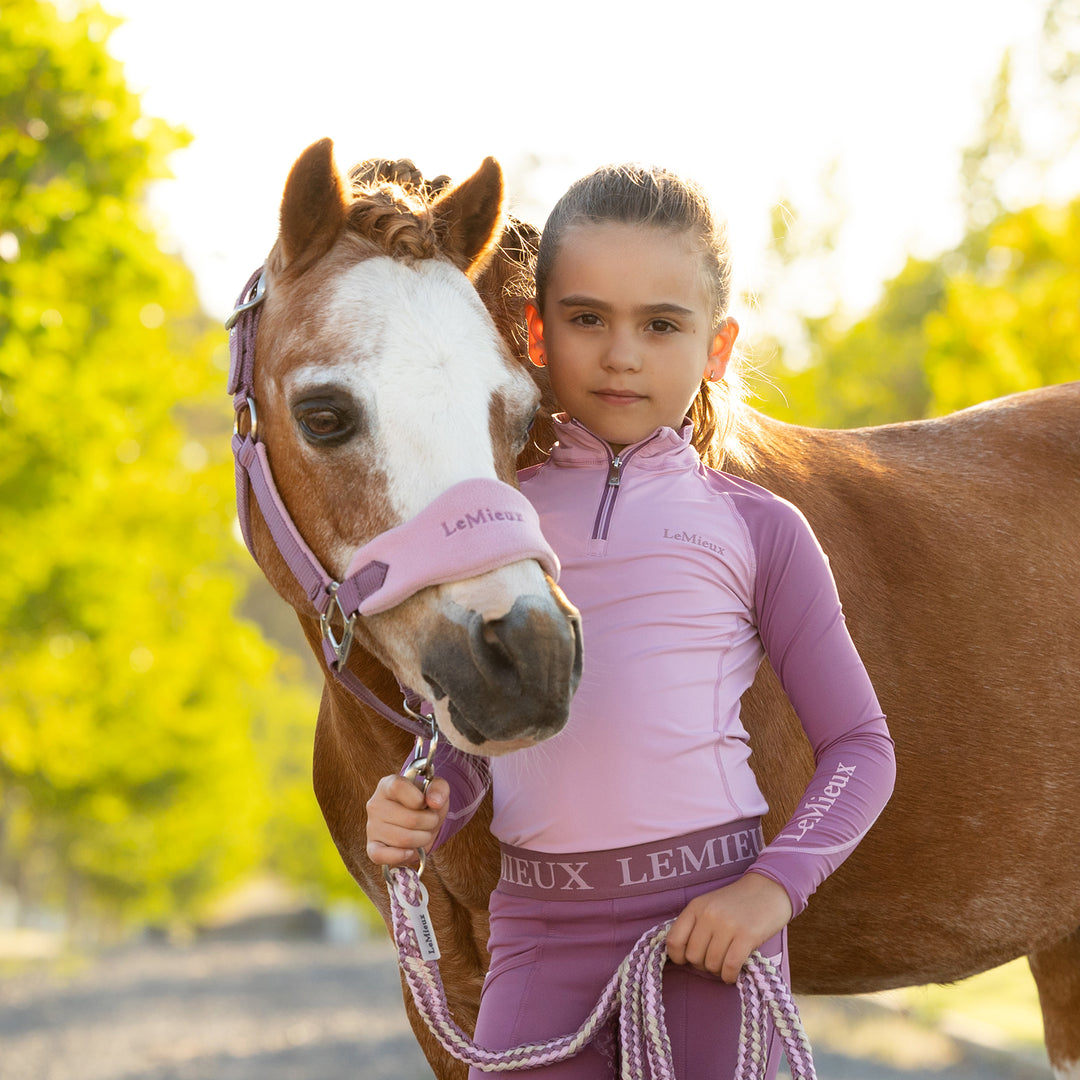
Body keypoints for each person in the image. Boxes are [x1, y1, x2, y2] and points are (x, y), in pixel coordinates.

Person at [366, 164, 896, 1079]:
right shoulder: (496, 521)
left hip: (708, 931)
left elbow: (860, 747)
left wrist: (769, 892)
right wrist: (426, 803)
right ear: (536, 333)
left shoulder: (759, 529)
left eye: (660, 325)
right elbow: (479, 735)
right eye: (587, 319)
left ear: (717, 346)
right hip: (538, 934)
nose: (621, 355)